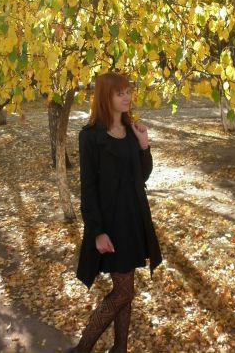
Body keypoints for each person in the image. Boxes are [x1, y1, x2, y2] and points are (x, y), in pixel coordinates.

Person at [64, 71, 162, 353]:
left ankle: (120, 349)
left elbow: (141, 176)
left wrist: (144, 145)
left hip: (133, 221)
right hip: (111, 224)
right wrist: (96, 232)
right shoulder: (90, 137)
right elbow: (88, 187)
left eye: (128, 91)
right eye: (120, 93)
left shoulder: (131, 131)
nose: (127, 97)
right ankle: (82, 349)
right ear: (105, 98)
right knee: (123, 292)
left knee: (125, 292)